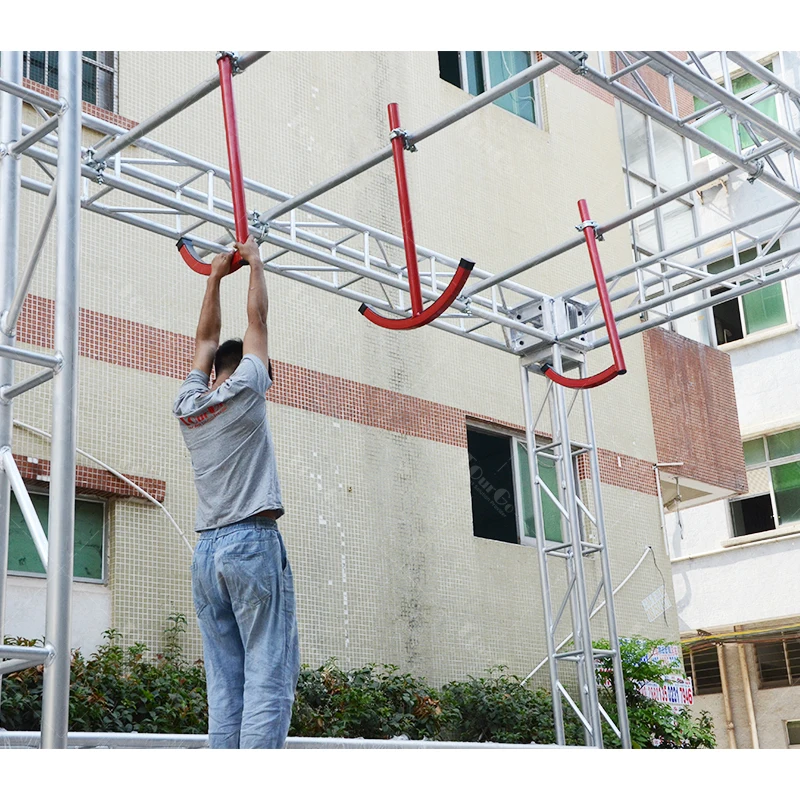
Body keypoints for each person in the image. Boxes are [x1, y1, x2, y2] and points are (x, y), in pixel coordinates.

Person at [172, 236, 300, 749]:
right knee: (269, 673)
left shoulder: (187, 405)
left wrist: (214, 275)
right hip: (250, 542)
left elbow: (205, 339)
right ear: (250, 366)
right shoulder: (249, 386)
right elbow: (257, 325)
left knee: (225, 683)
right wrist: (256, 263)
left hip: (207, 554)